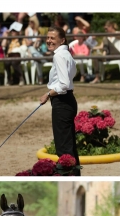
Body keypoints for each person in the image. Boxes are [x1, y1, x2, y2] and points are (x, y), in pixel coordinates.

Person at [39, 26, 80, 173]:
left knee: (63, 148)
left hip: (62, 102)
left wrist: (48, 95)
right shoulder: (67, 54)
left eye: (52, 38)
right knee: (70, 146)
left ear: (62, 40)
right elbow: (71, 74)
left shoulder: (59, 56)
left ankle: (68, 175)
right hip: (68, 100)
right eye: (48, 37)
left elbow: (64, 84)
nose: (49, 40)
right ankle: (75, 174)